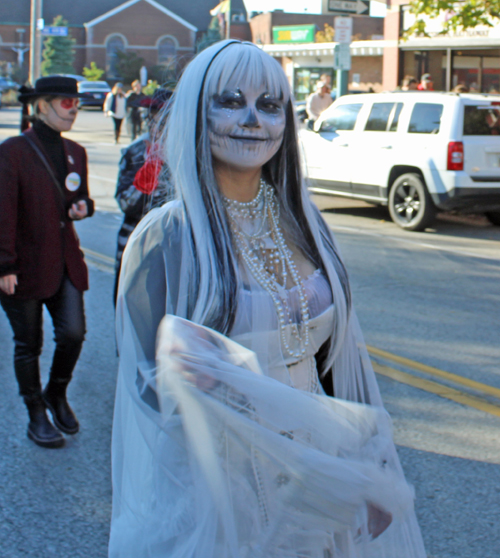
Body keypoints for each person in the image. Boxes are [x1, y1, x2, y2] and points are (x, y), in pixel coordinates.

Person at [109, 40, 426, 557]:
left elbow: (334, 367)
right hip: (221, 493)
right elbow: (143, 388)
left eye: (270, 104)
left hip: (317, 485)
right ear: (195, 111)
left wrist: (372, 470)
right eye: (230, 101)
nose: (253, 119)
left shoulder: (304, 223)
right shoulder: (165, 235)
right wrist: (188, 376)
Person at [0, 76, 94, 449]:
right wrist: (4, 264)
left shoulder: (76, 152)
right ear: (41, 105)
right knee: (29, 343)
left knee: (73, 333)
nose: (74, 111)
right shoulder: (13, 151)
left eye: (77, 105)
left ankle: (56, 392)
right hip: (21, 265)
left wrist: (84, 206)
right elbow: (2, 211)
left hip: (65, 261)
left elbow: (80, 197)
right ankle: (35, 411)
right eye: (66, 103)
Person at [113, 88, 173, 304]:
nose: (157, 129)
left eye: (165, 123)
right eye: (153, 121)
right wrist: (150, 172)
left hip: (177, 255)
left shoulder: (192, 155)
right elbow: (124, 203)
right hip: (136, 249)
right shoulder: (136, 152)